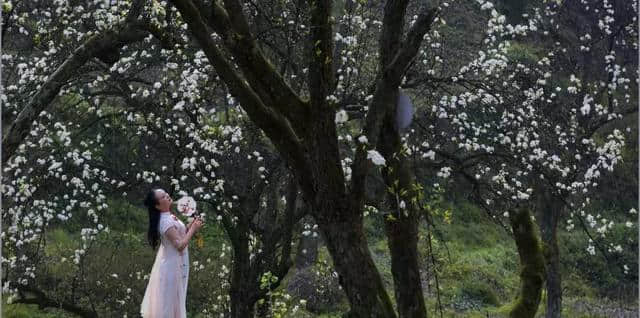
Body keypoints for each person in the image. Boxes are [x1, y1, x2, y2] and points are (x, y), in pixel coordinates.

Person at [140, 188, 203, 318]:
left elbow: (180, 235)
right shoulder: (165, 222)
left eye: (166, 194)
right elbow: (179, 245)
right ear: (157, 205)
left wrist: (190, 227)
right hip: (172, 267)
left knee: (177, 301)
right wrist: (193, 229)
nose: (167, 196)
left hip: (178, 264)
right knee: (171, 304)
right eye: (163, 197)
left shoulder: (168, 216)